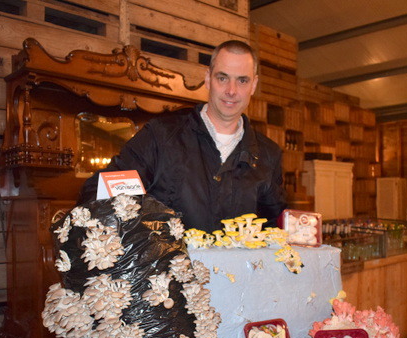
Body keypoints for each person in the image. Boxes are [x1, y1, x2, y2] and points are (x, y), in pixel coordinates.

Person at [78, 40, 286, 232]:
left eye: (242, 80)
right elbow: (99, 193)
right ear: (208, 79)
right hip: (168, 261)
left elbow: (273, 229)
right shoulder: (161, 136)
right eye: (222, 78)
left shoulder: (269, 155)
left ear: (254, 85)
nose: (231, 90)